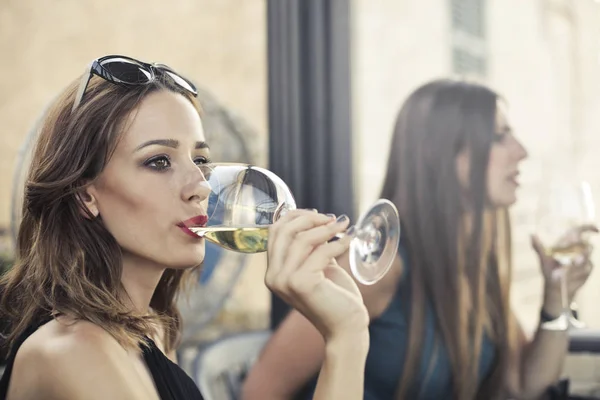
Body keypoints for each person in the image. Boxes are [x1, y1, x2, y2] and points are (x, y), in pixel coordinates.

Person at [0, 55, 370, 400]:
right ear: (86, 196)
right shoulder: (75, 352)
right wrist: (344, 340)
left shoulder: (150, 329)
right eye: (159, 161)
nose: (202, 186)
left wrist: (350, 328)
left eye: (200, 160)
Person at [242, 78, 596, 400]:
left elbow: (523, 386)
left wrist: (556, 299)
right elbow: (261, 391)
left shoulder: (472, 265)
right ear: (438, 152)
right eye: (498, 136)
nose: (521, 151)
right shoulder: (376, 267)